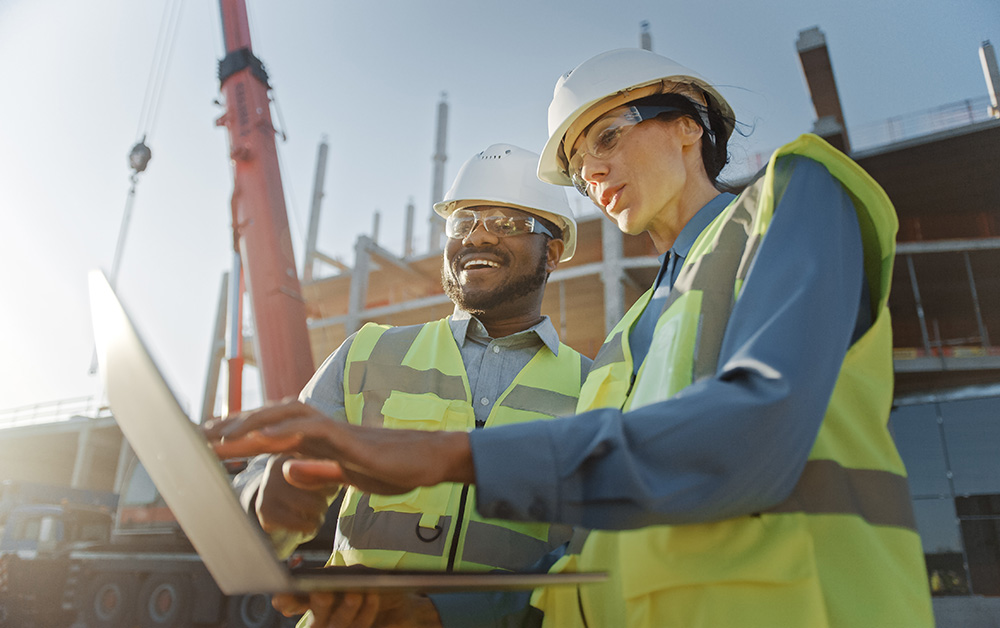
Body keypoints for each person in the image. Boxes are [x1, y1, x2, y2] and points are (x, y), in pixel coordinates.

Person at [210, 48, 934, 628]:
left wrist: (440, 453)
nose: (594, 170)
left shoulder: (791, 197)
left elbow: (753, 435)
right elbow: (574, 560)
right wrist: (431, 612)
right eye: (581, 164)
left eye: (609, 136)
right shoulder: (622, 347)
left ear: (688, 123)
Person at [227, 143, 590, 627]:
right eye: (463, 223)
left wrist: (448, 615)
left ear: (553, 252)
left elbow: (589, 557)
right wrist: (263, 502)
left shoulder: (596, 387)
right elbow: (265, 475)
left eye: (507, 223)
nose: (478, 237)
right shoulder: (368, 353)